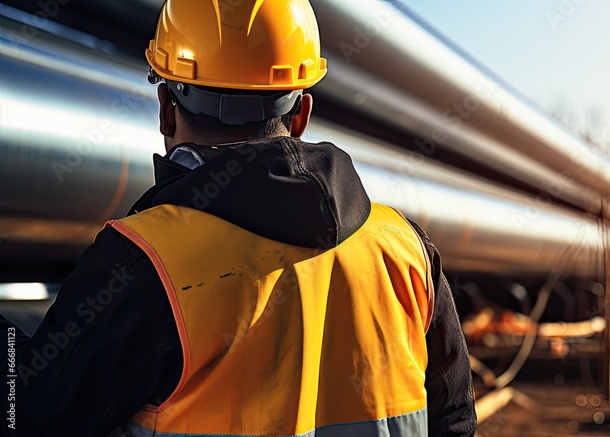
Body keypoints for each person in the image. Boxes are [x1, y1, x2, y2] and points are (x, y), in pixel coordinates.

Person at [0, 0, 477, 435]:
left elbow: (32, 414)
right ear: (302, 111)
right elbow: (453, 421)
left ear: (166, 109)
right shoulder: (406, 247)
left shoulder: (143, 265)